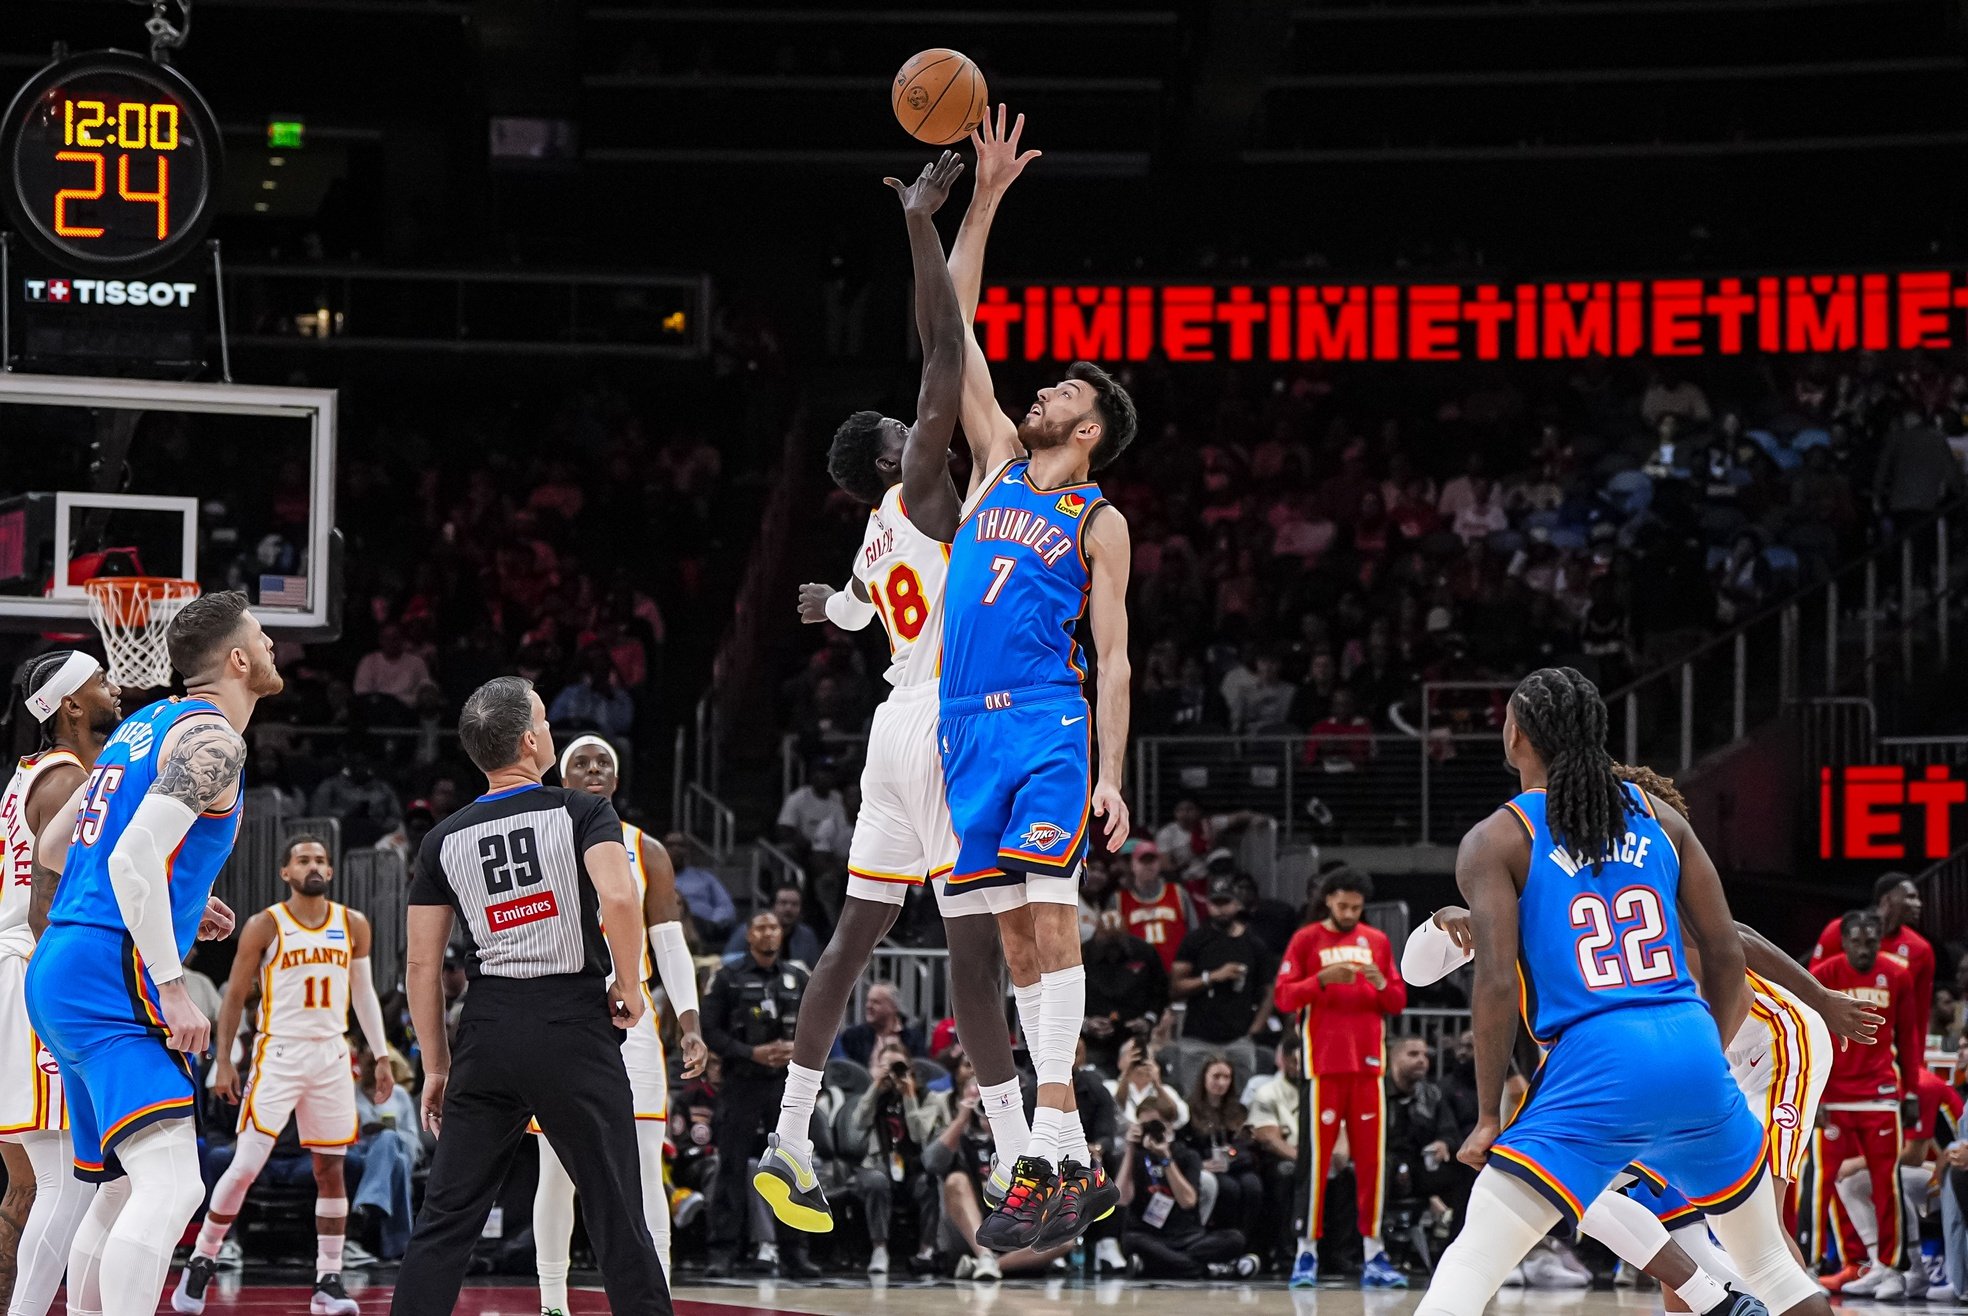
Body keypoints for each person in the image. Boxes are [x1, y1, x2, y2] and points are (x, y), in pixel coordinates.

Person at [757, 161, 1037, 1236]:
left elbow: (854, 615)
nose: (923, 427)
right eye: (908, 426)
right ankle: (1019, 1156)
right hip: (951, 722)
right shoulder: (918, 480)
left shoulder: (873, 537)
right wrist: (921, 224)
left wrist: (832, 601)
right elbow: (945, 352)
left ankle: (786, 1139)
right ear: (892, 448)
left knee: (850, 939)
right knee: (974, 942)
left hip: (890, 724)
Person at [1409, 666, 1829, 1316]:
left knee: (1470, 1261)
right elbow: (1725, 951)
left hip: (1598, 1056)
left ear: (1515, 733)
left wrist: (1490, 1114)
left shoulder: (1495, 838)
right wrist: (1703, 1056)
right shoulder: (1661, 816)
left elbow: (1494, 985)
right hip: (1689, 1042)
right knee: (1772, 1266)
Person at [941, 105, 1139, 1251]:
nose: (1042, 390)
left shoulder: (1097, 515)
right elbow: (955, 318)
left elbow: (1114, 653)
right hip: (969, 731)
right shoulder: (997, 467)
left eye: (1063, 387)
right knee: (1015, 942)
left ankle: (1056, 1144)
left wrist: (1112, 772)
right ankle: (1069, 1161)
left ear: (1094, 423)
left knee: (1049, 922)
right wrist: (986, 198)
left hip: (1049, 728)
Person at [25, 591, 276, 1316]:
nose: (270, 649)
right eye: (262, 637)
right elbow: (134, 858)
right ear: (236, 658)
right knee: (174, 1185)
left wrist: (182, 906)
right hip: (110, 970)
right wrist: (172, 984)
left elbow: (53, 848)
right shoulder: (215, 741)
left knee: (121, 1191)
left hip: (63, 966)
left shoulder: (140, 724)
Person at [391, 676, 668, 1316]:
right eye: (544, 719)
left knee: (445, 1220)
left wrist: (436, 1067)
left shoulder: (440, 840)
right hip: (571, 1024)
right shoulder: (581, 810)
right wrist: (628, 983)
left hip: (486, 1032)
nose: (549, 729)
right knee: (617, 1210)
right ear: (528, 740)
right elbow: (622, 898)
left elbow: (421, 965)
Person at [171, 834, 395, 1315]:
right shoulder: (264, 925)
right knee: (246, 1163)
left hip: (332, 1054)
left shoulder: (353, 924)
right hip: (279, 1053)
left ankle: (327, 1281)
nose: (312, 865)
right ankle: (203, 1258)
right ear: (285, 873)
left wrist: (380, 1054)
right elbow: (232, 997)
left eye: (320, 859)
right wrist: (226, 1060)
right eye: (302, 859)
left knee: (330, 1169)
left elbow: (364, 995)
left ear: (330, 873)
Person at [534, 735, 707, 1312]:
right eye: (580, 762)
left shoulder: (646, 850)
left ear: (616, 777)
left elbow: (671, 944)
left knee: (643, 1165)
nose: (591, 769)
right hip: (562, 1016)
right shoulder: (540, 839)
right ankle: (553, 1302)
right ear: (561, 776)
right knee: (557, 1170)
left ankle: (655, 1297)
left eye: (602, 762)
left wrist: (689, 1022)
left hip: (633, 1021)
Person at [0, 652, 119, 1316]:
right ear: (70, 705)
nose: (114, 687)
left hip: (13, 977)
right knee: (67, 1181)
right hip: (32, 979)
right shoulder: (66, 777)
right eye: (99, 680)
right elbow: (52, 905)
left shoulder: (28, 776)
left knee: (41, 1185)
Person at [1272, 866, 1407, 1287]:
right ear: (1328, 899)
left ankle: (1375, 1253)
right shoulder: (1306, 939)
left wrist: (1382, 981)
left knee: (1372, 1165)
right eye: (1343, 904)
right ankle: (1306, 1253)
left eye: (1356, 906)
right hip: (1322, 1067)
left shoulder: (1379, 942)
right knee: (1314, 1165)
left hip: (1369, 1068)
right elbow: (1283, 996)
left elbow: (1397, 1002)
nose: (1350, 912)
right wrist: (1320, 980)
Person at [1807, 908, 1924, 1297]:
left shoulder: (1898, 975)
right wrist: (1816, 1094)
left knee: (1885, 1181)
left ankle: (1889, 1269)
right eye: (1856, 941)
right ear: (1844, 942)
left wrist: (1910, 1092)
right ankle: (1805, 1265)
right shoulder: (1824, 976)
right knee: (1819, 1181)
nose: (1864, 949)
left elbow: (1909, 1037)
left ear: (1880, 940)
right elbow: (1811, 1036)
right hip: (1835, 1095)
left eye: (1871, 941)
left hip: (1880, 1094)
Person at [701, 911, 814, 1278]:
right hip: (741, 1082)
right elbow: (709, 1030)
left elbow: (821, 1026)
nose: (768, 933)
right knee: (731, 1165)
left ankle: (795, 1252)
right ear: (749, 935)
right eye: (761, 927)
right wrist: (750, 1052)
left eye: (775, 927)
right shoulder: (729, 979)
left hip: (786, 1086)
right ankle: (723, 1251)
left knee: (792, 1165)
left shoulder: (797, 977)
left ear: (782, 934)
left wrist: (797, 1048)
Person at [1114, 1095, 1257, 1278]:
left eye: (1156, 1126)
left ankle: (1157, 1267)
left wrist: (1166, 1158)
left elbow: (1188, 1201)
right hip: (1148, 1235)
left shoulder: (1187, 1156)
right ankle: (1207, 1270)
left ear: (1170, 1126)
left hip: (1187, 1237)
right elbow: (1121, 1199)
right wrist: (1130, 1149)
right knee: (1130, 1241)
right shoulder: (1136, 1156)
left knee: (1234, 1239)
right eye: (1145, 1126)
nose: (1151, 1132)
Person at [1171, 874, 1276, 1084]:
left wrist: (1255, 1029)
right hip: (1197, 1038)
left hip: (1238, 1038)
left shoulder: (1254, 944)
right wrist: (1212, 977)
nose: (1221, 909)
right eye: (1216, 903)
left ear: (1237, 904)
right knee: (1195, 1102)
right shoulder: (1195, 940)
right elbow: (1175, 988)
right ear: (1208, 905)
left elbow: (1270, 991)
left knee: (1239, 1104)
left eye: (1226, 903)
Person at [1810, 872, 1933, 1023]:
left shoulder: (1921, 948)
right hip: (1839, 1031)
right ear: (1887, 899)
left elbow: (1920, 1010)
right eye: (1911, 897)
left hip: (1885, 1036)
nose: (1918, 904)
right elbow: (1811, 986)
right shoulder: (1838, 930)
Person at [1181, 1054, 1262, 1247]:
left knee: (1252, 1186)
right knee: (1228, 1189)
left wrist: (1233, 1156)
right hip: (1207, 1165)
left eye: (1227, 1078)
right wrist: (1201, 1163)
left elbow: (1247, 1144)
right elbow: (1185, 1145)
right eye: (1216, 1077)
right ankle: (1222, 1240)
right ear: (1205, 1078)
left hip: (1236, 1165)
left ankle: (1247, 1241)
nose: (1222, 1083)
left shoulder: (1238, 1110)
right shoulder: (1190, 1109)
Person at [1082, 910, 1168, 1074]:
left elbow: (1161, 990)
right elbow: (1067, 997)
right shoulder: (1082, 954)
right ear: (1097, 936)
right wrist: (1085, 1023)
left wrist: (1149, 1020)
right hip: (1094, 1041)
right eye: (1107, 944)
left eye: (1116, 944)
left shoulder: (1144, 952)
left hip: (1134, 1037)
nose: (1112, 951)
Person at [1116, 842, 1194, 976]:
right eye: (1142, 861)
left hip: (1175, 977)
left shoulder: (1178, 893)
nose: (1148, 866)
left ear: (1159, 864)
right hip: (1137, 981)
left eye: (1151, 861)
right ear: (1133, 865)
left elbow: (1194, 935)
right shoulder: (1119, 899)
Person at [720, 883, 821, 970]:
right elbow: (726, 961)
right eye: (783, 903)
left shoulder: (807, 935)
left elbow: (815, 970)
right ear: (772, 906)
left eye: (795, 904)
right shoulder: (748, 930)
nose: (788, 909)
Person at [665, 833, 735, 944]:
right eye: (670, 845)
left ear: (687, 851)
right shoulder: (654, 878)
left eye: (681, 845)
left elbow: (725, 906)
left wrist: (712, 923)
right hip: (668, 929)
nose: (676, 849)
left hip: (705, 930)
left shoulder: (705, 877)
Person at [834, 984, 926, 1068]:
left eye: (876, 1002)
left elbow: (920, 1072)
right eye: (868, 1001)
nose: (868, 1006)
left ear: (894, 1007)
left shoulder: (914, 1038)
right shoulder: (853, 1036)